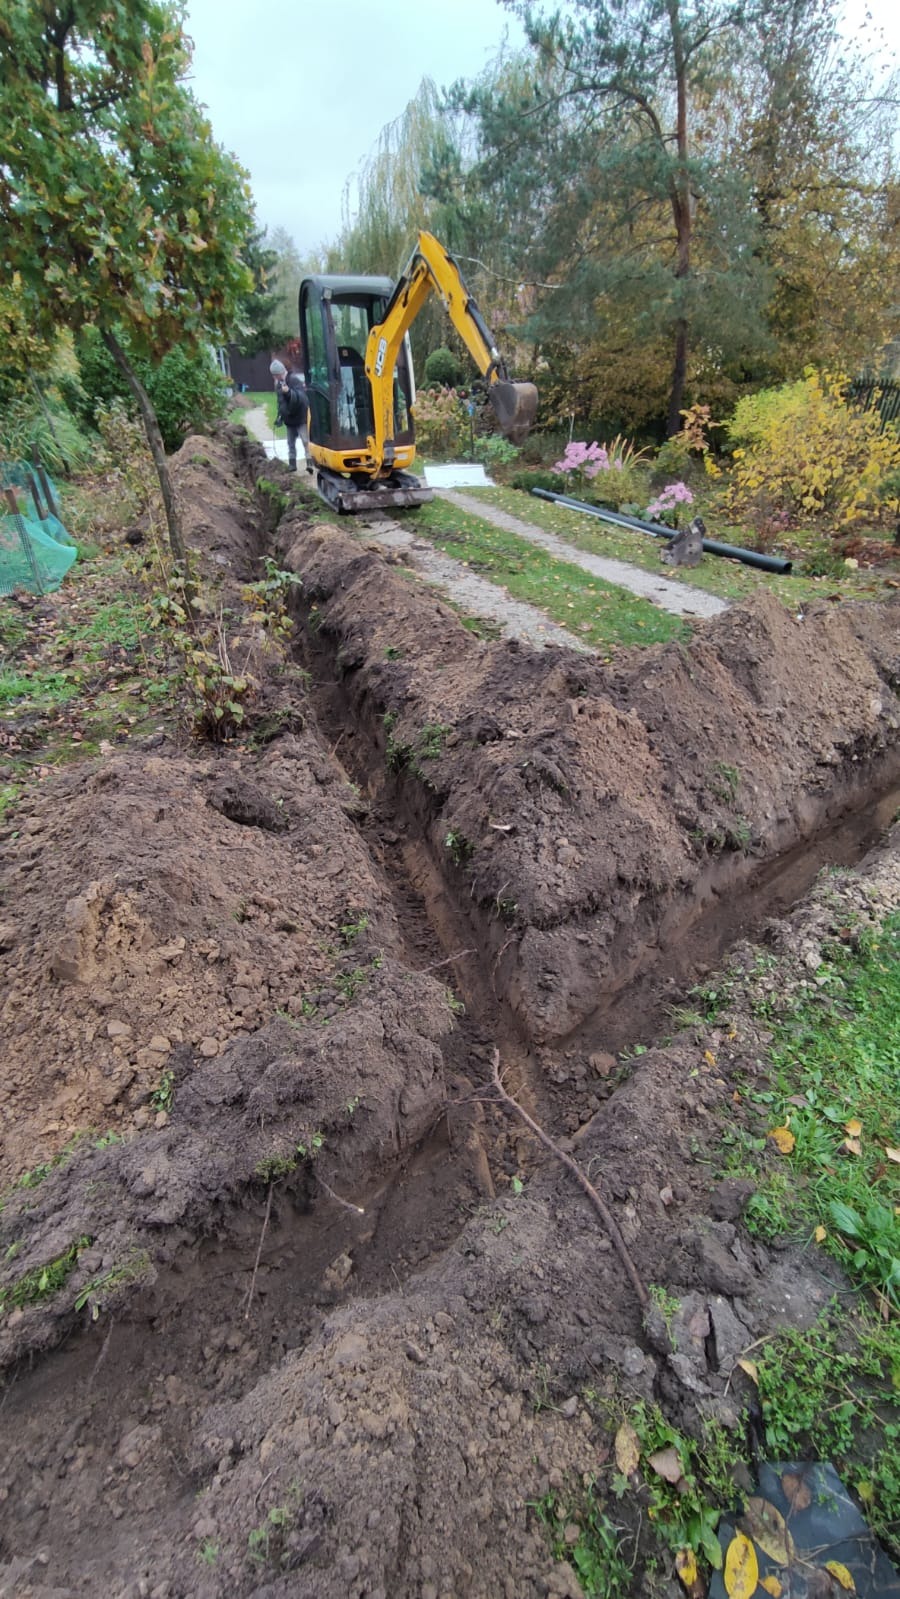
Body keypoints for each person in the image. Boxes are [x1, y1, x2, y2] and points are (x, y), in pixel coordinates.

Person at [270, 359, 310, 472]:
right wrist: (280, 416)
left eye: (275, 375)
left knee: (305, 441)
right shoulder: (279, 385)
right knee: (290, 443)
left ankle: (310, 463)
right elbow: (281, 403)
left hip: (300, 418)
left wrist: (288, 393)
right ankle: (292, 465)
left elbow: (301, 399)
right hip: (289, 419)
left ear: (279, 373)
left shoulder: (294, 380)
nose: (275, 378)